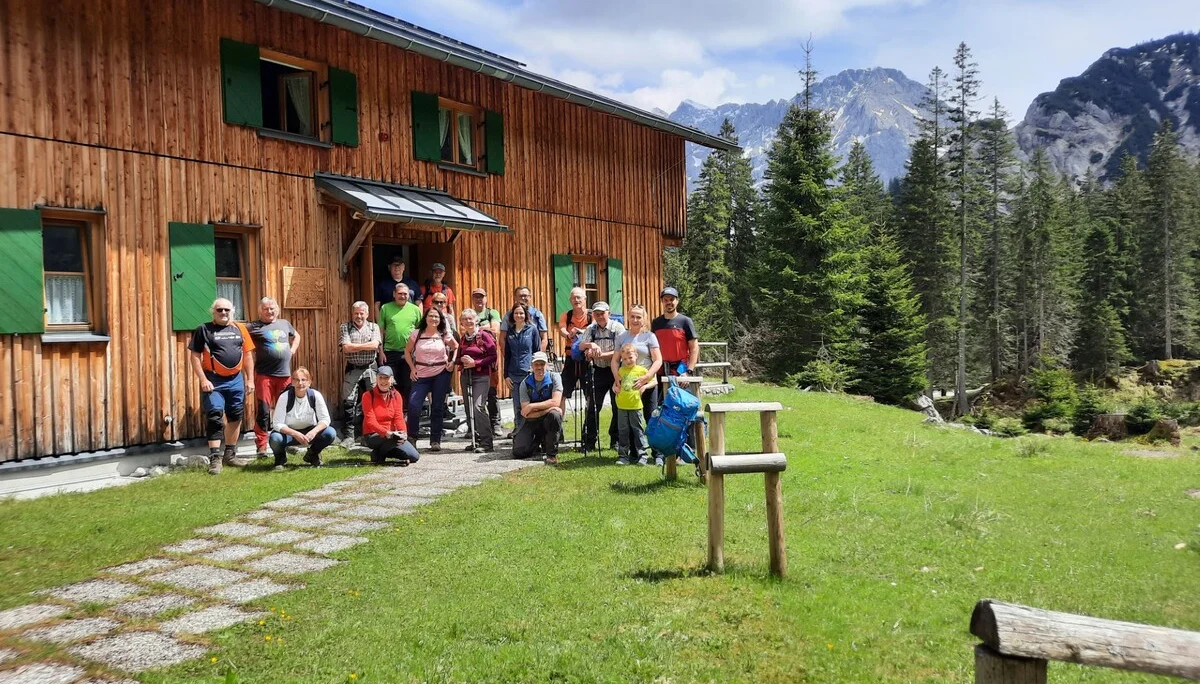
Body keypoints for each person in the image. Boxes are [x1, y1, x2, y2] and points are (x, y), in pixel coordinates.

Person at [188, 298, 256, 475]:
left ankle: (230, 455)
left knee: (235, 416)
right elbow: (195, 357)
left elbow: (247, 356)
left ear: (232, 311)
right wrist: (203, 379)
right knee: (215, 416)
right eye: (220, 310)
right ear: (213, 312)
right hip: (214, 380)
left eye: (227, 310)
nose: (224, 313)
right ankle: (215, 458)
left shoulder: (240, 329)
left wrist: (250, 380)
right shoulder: (203, 330)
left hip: (236, 380)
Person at [247, 297, 300, 458]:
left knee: (286, 410)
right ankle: (261, 446)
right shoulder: (253, 326)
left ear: (276, 309)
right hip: (265, 376)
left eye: (272, 308)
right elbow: (238, 332)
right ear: (260, 310)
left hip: (284, 376)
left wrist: (292, 350)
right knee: (263, 411)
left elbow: (296, 336)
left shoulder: (284, 323)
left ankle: (286, 442)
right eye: (265, 309)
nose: (269, 311)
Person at [612, 304, 664, 461]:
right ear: (628, 318)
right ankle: (634, 454)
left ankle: (658, 454)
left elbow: (658, 360)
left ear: (644, 319)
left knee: (651, 418)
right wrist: (616, 378)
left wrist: (646, 377)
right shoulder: (622, 337)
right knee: (627, 421)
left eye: (638, 317)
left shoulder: (649, 336)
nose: (635, 320)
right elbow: (615, 361)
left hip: (646, 383)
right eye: (632, 316)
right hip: (627, 385)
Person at [404, 306, 458, 452]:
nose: (433, 319)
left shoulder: (444, 334)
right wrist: (412, 368)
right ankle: (412, 438)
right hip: (420, 374)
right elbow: (407, 352)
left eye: (436, 316)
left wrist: (452, 362)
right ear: (425, 318)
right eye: (431, 316)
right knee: (414, 405)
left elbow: (456, 347)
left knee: (438, 407)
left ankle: (435, 440)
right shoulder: (416, 334)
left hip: (441, 373)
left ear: (440, 319)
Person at [579, 301, 625, 452]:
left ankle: (616, 440)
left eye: (602, 313)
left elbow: (621, 351)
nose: (599, 316)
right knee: (592, 407)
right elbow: (581, 346)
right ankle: (589, 441)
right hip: (597, 371)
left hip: (615, 371)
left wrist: (601, 354)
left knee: (617, 406)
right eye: (596, 313)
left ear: (608, 313)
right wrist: (591, 346)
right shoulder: (590, 329)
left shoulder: (617, 328)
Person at [268, 367, 335, 469]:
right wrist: (295, 434)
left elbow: (325, 419)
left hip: (309, 431)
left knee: (330, 433)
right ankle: (280, 459)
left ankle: (312, 454)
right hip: (289, 434)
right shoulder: (284, 397)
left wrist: (314, 432)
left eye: (304, 380)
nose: (300, 383)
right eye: (297, 380)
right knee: (275, 439)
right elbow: (277, 424)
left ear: (309, 382)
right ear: (292, 382)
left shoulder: (315, 396)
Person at [339, 301, 382, 440]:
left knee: (375, 399)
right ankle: (349, 436)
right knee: (348, 401)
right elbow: (346, 348)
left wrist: (355, 346)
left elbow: (375, 345)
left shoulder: (373, 327)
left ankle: (370, 433)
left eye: (361, 313)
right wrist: (366, 346)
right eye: (356, 313)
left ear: (367, 314)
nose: (358, 316)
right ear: (352, 314)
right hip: (353, 367)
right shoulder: (345, 327)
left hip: (370, 367)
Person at [360, 366, 420, 465]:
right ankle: (380, 454)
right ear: (376, 379)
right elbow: (370, 421)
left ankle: (379, 453)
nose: (383, 381)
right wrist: (387, 433)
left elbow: (399, 418)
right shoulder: (367, 396)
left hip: (393, 435)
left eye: (386, 378)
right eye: (380, 378)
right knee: (394, 439)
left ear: (392, 380)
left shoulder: (396, 396)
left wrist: (403, 434)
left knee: (414, 456)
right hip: (373, 434)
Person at [512, 352, 564, 464]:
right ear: (532, 366)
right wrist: (548, 408)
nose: (539, 367)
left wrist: (532, 406)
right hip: (531, 421)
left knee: (555, 415)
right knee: (519, 452)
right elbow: (526, 413)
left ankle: (551, 455)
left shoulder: (555, 377)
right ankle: (536, 442)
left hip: (549, 421)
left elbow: (556, 401)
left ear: (547, 365)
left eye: (542, 364)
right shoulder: (525, 383)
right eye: (536, 364)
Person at [457, 309, 497, 453]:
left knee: (478, 406)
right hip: (466, 376)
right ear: (461, 322)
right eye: (465, 319)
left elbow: (493, 356)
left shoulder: (484, 336)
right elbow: (458, 357)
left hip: (481, 376)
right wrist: (458, 361)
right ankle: (476, 439)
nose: (468, 321)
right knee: (469, 409)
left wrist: (476, 363)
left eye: (470, 319)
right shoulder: (463, 339)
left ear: (476, 320)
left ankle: (487, 442)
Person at [379, 283, 422, 401]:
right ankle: (391, 410)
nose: (402, 296)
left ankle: (406, 412)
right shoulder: (385, 308)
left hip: (409, 352)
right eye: (399, 294)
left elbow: (420, 332)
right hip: (390, 352)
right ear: (394, 294)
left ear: (409, 295)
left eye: (405, 294)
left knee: (408, 383)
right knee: (390, 382)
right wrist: (381, 351)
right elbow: (381, 331)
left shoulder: (415, 310)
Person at [470, 287, 504, 438]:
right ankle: (476, 426)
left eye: (481, 297)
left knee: (491, 392)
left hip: (489, 359)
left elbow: (495, 330)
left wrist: (478, 329)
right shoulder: (469, 313)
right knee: (474, 394)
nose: (479, 299)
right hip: (473, 359)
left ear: (486, 298)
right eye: (476, 297)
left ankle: (495, 423)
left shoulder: (492, 313)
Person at [501, 303, 540, 435]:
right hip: (513, 374)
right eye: (516, 313)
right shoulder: (510, 331)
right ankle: (519, 431)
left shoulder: (532, 329)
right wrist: (506, 375)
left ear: (526, 315)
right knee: (517, 405)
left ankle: (531, 432)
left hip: (527, 373)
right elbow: (507, 355)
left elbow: (536, 351)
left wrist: (535, 370)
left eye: (521, 313)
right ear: (513, 315)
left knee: (529, 404)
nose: (519, 315)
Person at [612, 344, 651, 465]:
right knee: (623, 431)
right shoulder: (621, 370)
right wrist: (615, 388)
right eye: (624, 359)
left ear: (636, 356)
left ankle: (643, 455)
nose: (628, 361)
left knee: (638, 431)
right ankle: (623, 456)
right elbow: (616, 383)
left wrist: (645, 386)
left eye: (630, 357)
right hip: (622, 405)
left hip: (635, 406)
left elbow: (653, 380)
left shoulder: (642, 370)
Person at [652, 286, 700, 379]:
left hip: (681, 372)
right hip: (661, 371)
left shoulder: (685, 321)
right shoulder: (656, 323)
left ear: (677, 301)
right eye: (665, 300)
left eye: (672, 299)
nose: (669, 302)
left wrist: (689, 371)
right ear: (662, 302)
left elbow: (694, 348)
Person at [557, 287, 592, 415]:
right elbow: (561, 329)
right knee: (562, 391)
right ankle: (558, 426)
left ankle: (588, 427)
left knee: (589, 393)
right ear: (570, 300)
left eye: (578, 297)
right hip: (570, 358)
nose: (576, 300)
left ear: (585, 299)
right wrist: (568, 335)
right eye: (573, 297)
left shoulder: (591, 315)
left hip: (587, 359)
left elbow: (593, 330)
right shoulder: (566, 315)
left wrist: (579, 331)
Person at [501, 285, 548, 353]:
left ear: (530, 297)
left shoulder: (537, 315)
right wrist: (506, 356)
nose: (523, 298)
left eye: (525, 295)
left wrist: (539, 357)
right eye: (520, 296)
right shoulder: (509, 315)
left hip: (534, 355)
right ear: (515, 297)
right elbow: (502, 338)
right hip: (514, 357)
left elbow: (544, 338)